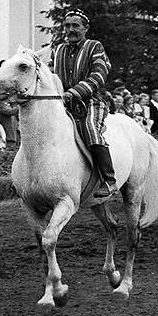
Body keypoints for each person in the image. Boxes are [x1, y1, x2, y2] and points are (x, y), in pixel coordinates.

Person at [53, 10, 117, 199]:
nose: (71, 30)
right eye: (67, 26)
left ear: (85, 28)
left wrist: (74, 92)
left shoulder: (94, 46)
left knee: (90, 128)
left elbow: (99, 75)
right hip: (62, 103)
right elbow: (52, 77)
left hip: (90, 101)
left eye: (75, 26)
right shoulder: (59, 50)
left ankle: (109, 180)